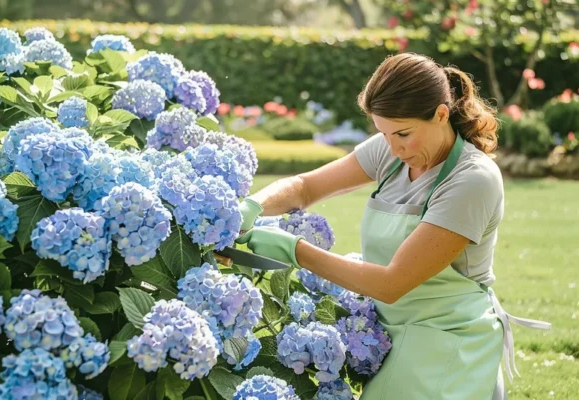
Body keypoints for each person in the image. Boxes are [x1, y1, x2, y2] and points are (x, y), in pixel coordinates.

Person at [235, 53, 551, 399]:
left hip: (447, 339)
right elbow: (306, 187)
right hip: (389, 333)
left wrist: (293, 251)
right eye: (383, 133)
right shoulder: (392, 149)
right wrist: (250, 207)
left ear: (441, 114)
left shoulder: (472, 180)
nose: (393, 147)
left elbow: (392, 283)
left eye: (403, 133)